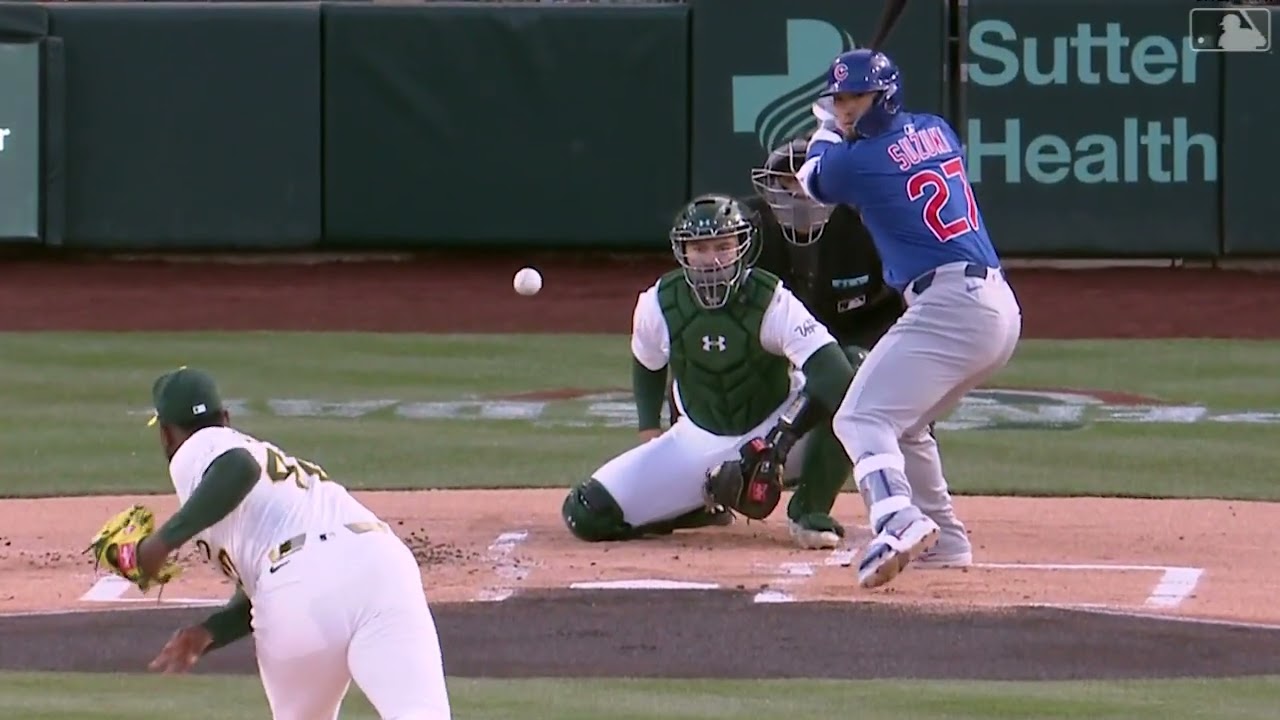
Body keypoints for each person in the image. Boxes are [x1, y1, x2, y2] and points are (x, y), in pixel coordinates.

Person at [97, 367, 452, 720]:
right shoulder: (267, 465)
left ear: (165, 434)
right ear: (226, 417)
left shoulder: (196, 450)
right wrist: (209, 632)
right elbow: (268, 583)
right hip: (381, 563)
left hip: (300, 582)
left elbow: (239, 469)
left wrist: (159, 545)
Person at [795, 48, 1022, 589]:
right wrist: (845, 124)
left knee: (859, 419)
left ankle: (897, 517)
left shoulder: (860, 161)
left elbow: (813, 179)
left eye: (856, 97)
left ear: (885, 96)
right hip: (992, 305)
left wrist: (825, 129)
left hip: (951, 304)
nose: (846, 108)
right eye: (839, 99)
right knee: (908, 424)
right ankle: (945, 541)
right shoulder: (936, 129)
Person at [561, 193, 863, 550]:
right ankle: (696, 505)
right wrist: (649, 429)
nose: (712, 259)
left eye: (723, 246)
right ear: (683, 252)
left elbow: (835, 374)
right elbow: (647, 363)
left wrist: (778, 443)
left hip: (778, 430)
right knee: (587, 512)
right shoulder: (659, 303)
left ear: (742, 248)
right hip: (696, 441)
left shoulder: (771, 299)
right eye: (700, 248)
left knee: (858, 371)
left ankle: (809, 509)